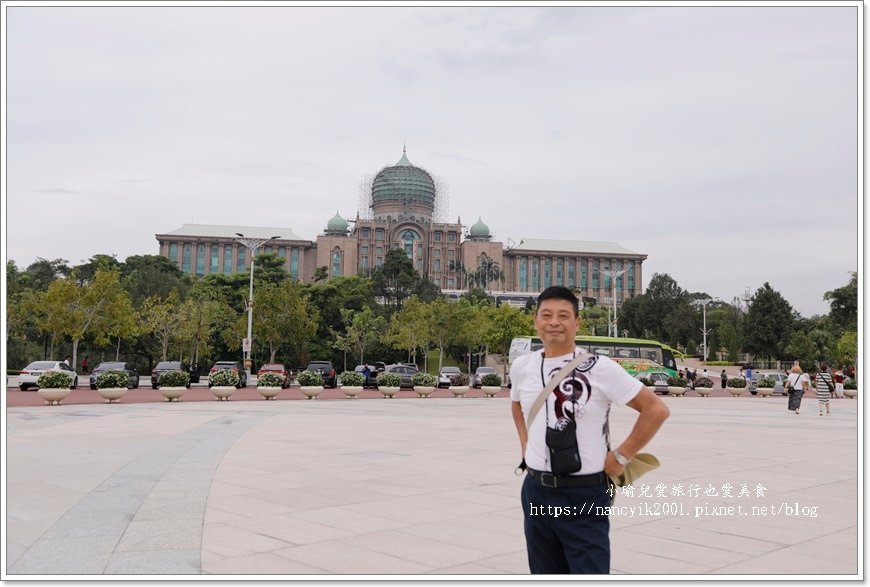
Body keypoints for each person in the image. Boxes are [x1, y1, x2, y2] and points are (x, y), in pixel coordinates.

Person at [510, 286, 669, 574]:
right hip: (535, 491)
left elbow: (656, 409)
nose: (554, 322)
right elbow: (516, 405)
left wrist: (622, 456)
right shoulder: (522, 366)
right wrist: (525, 444)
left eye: (563, 315)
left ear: (577, 323)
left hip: (583, 494)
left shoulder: (600, 368)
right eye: (546, 315)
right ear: (536, 321)